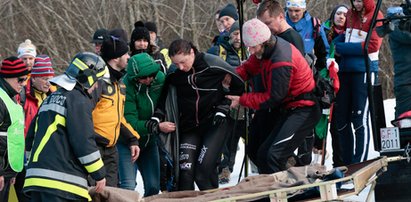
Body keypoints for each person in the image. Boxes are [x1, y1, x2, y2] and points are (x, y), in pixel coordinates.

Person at [226, 18, 321, 174]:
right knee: (259, 152)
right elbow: (249, 67)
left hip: (304, 109)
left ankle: (291, 190)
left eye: (252, 47)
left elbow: (272, 98)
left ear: (263, 42)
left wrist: (242, 100)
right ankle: (275, 189)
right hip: (288, 107)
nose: (250, 51)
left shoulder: (280, 60)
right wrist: (232, 77)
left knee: (273, 155)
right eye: (248, 46)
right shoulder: (264, 50)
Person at [153, 39, 244, 191]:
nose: (181, 67)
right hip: (189, 128)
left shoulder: (213, 63)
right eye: (176, 64)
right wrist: (157, 117)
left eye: (183, 62)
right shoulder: (174, 74)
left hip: (214, 124)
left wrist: (224, 107)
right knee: (185, 173)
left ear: (192, 53)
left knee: (203, 173)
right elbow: (164, 99)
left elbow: (239, 85)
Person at [23, 52, 107, 201]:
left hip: (36, 181)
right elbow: (83, 141)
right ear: (88, 78)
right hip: (62, 185)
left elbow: (30, 137)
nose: (96, 87)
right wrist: (99, 174)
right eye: (97, 81)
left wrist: (35, 165)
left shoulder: (49, 99)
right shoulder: (78, 100)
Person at [333, 0, 383, 165]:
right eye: (354, 0)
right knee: (341, 119)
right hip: (346, 70)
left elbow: (372, 45)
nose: (357, 3)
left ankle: (359, 163)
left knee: (359, 119)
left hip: (364, 71)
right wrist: (335, 43)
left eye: (360, 0)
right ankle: (346, 163)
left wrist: (342, 48)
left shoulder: (377, 15)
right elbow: (346, 36)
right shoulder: (350, 14)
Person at [118, 53, 173, 196]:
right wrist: (157, 127)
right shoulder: (125, 86)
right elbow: (130, 122)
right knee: (128, 186)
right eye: (143, 77)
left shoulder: (160, 78)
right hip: (127, 143)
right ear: (134, 78)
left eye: (151, 75)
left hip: (149, 142)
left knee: (154, 187)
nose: (149, 79)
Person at [91, 33, 140, 187]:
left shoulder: (119, 83)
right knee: (94, 193)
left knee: (111, 194)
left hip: (111, 149)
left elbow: (118, 118)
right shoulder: (97, 82)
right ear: (115, 57)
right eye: (125, 53)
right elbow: (82, 115)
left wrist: (132, 139)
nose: (128, 57)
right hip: (94, 147)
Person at [207, 21, 245, 184]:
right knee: (226, 137)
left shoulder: (248, 51)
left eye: (240, 34)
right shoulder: (218, 50)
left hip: (245, 100)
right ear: (229, 34)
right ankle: (224, 168)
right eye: (235, 34)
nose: (238, 38)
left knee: (240, 134)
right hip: (225, 99)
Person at [14, 55, 55, 202]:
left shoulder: (53, 95)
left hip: (45, 157)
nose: (48, 82)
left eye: (50, 77)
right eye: (44, 78)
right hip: (23, 155)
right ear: (34, 77)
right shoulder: (21, 96)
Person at [320, 4, 348, 166]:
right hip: (323, 81)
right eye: (338, 13)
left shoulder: (350, 34)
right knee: (320, 124)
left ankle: (339, 162)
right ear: (333, 15)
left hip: (343, 81)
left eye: (345, 15)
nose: (341, 17)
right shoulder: (323, 32)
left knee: (337, 125)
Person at [0, 57, 28, 201]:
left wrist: (11, 172)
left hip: (8, 171)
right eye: (20, 80)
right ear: (7, 78)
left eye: (25, 80)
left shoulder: (10, 97)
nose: (23, 84)